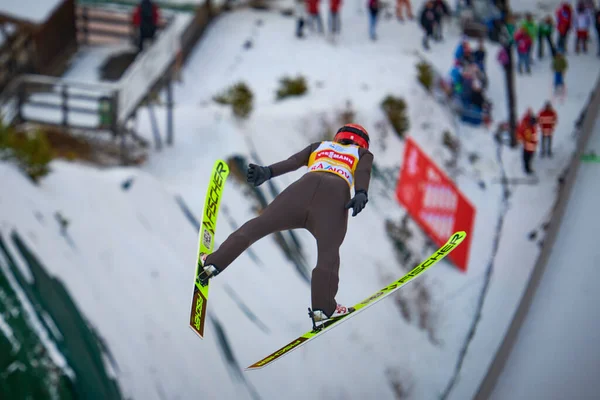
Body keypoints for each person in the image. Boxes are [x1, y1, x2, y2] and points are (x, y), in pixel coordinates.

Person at [198, 124, 374, 323]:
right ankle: (323, 308)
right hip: (334, 196)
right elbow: (363, 172)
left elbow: (293, 162)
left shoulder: (320, 146)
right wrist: (361, 192)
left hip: (301, 190)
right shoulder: (362, 154)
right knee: (329, 253)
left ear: (338, 137)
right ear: (364, 144)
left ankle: (213, 263)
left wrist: (267, 172)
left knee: (260, 224)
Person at [518, 110, 539, 174]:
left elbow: (534, 134)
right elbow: (522, 133)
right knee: (527, 157)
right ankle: (527, 169)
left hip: (531, 144)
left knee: (530, 156)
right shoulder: (526, 125)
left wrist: (535, 142)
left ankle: (527, 167)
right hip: (528, 144)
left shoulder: (531, 126)